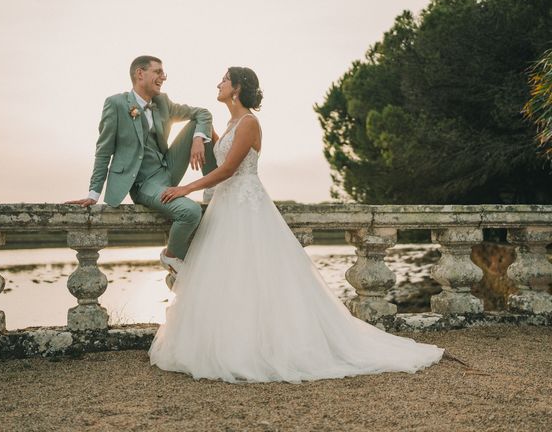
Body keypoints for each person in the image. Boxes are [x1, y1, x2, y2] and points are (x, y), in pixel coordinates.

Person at [148, 66, 444, 383]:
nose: (217, 83)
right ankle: (234, 340)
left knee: (256, 275)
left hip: (246, 205)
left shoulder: (249, 123)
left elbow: (229, 169)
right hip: (226, 206)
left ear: (236, 88)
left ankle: (263, 348)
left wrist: (186, 188)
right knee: (230, 276)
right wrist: (198, 133)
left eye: (223, 80)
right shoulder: (232, 122)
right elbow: (217, 149)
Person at [66, 55, 216, 289]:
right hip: (144, 183)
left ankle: (213, 189)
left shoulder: (163, 103)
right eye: (157, 72)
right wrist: (93, 194)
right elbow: (103, 151)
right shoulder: (116, 104)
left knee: (201, 126)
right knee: (190, 211)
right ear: (140, 74)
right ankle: (172, 256)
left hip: (168, 167)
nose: (163, 77)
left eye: (163, 72)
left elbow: (203, 113)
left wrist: (198, 139)